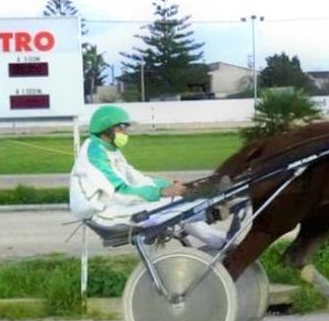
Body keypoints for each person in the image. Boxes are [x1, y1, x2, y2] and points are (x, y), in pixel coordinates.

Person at [69, 105, 226, 248]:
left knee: (177, 202)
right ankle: (213, 217)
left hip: (115, 208)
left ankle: (219, 240)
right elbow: (119, 192)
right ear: (106, 128)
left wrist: (167, 186)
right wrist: (162, 192)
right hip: (104, 215)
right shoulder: (94, 153)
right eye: (122, 127)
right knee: (174, 207)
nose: (126, 132)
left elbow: (135, 178)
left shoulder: (109, 150)